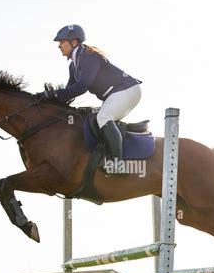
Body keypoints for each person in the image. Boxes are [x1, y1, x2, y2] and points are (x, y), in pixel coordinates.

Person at [45, 24, 142, 168]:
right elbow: (69, 92)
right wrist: (47, 99)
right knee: (93, 119)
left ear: (74, 42)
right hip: (116, 93)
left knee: (103, 117)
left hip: (127, 90)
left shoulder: (88, 57)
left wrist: (53, 94)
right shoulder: (73, 65)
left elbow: (81, 87)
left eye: (62, 42)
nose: (59, 46)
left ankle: (117, 163)